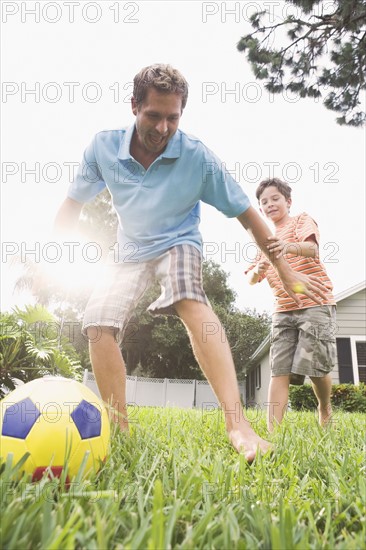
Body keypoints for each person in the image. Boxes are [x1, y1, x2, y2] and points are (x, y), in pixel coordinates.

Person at [54, 64, 327, 461]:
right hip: (129, 249)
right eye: (154, 115)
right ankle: (119, 425)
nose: (163, 128)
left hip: (179, 242)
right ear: (134, 106)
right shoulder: (102, 147)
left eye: (173, 117)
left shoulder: (197, 157)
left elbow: (248, 216)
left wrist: (283, 269)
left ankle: (238, 425)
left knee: (188, 296)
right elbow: (72, 204)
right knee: (97, 321)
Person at [246, 177, 337, 431]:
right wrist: (260, 266)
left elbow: (311, 249)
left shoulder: (300, 220)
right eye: (264, 202)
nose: (270, 204)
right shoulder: (264, 240)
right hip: (282, 310)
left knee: (316, 367)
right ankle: (273, 432)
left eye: (275, 199)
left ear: (288, 201)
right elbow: (253, 280)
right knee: (279, 370)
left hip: (315, 303)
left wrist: (286, 247)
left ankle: (324, 408)